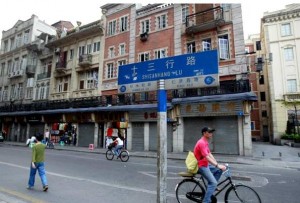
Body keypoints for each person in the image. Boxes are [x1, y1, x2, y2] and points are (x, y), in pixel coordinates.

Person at [194, 127, 226, 203]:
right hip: (201, 166)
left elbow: (209, 153)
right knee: (213, 183)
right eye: (209, 132)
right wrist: (217, 165)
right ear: (204, 133)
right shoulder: (201, 142)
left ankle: (212, 187)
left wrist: (217, 164)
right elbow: (207, 157)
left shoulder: (205, 141)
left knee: (219, 170)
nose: (211, 134)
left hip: (205, 165)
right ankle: (206, 201)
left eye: (212, 132)